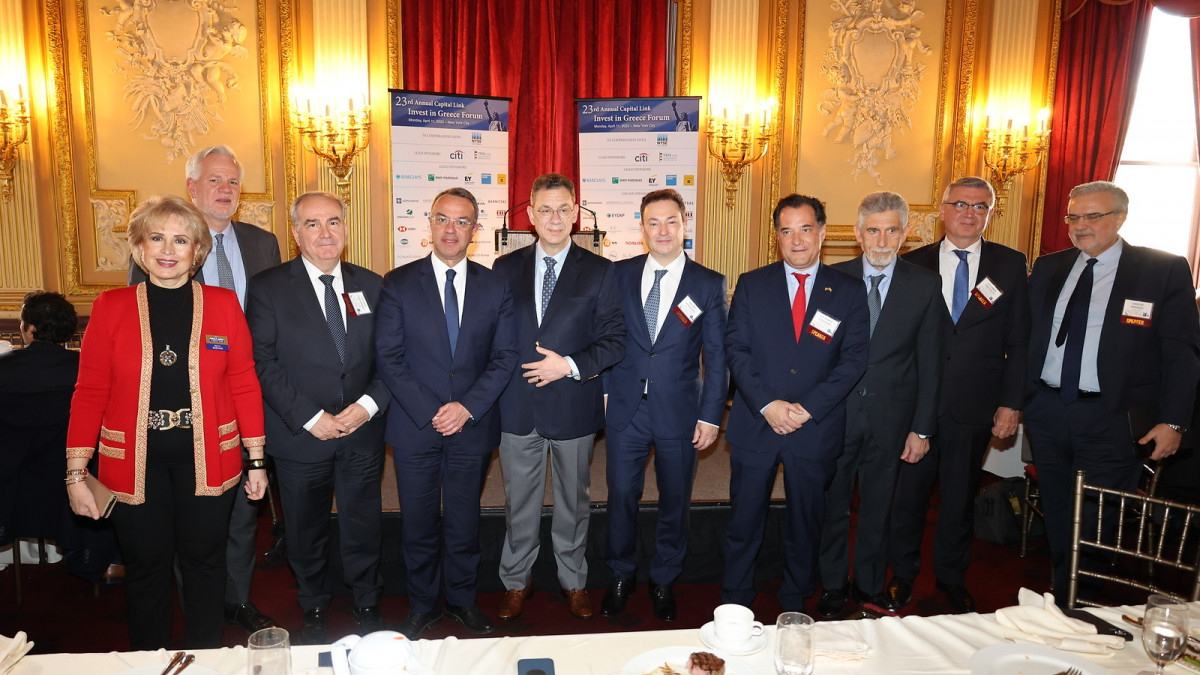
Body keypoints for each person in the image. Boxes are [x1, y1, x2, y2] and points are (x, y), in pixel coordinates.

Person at [66, 195, 268, 649]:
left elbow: (244, 383)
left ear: (197, 251)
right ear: (139, 247)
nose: (168, 249)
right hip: (132, 467)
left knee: (206, 566)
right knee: (146, 569)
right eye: (156, 237)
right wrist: (76, 474)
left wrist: (256, 460)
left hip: (210, 462)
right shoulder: (111, 306)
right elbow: (90, 392)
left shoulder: (224, 305)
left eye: (180, 239)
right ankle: (150, 660)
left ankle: (206, 659)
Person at [128, 144, 281, 634]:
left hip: (247, 393)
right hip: (183, 404)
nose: (225, 189)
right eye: (214, 180)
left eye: (233, 181)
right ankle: (195, 602)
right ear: (192, 186)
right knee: (184, 516)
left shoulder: (263, 243)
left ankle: (235, 600)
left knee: (239, 512)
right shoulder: (163, 245)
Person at [1024, 180, 1200, 605]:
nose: (1080, 225)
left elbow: (1182, 353)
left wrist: (1174, 421)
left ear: (1120, 217)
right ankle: (1063, 587)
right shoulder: (1049, 267)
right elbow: (1027, 337)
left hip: (1111, 416)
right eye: (1073, 216)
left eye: (1093, 216)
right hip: (1048, 410)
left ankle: (1081, 598)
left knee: (1098, 515)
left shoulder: (1160, 270)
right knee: (1058, 506)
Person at [245, 192, 389, 644]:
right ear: (295, 233)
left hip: (361, 431)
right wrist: (311, 418)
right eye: (312, 224)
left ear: (346, 228)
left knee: (363, 523)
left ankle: (366, 600)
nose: (325, 233)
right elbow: (262, 362)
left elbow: (392, 358)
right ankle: (314, 604)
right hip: (301, 435)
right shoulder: (268, 287)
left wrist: (367, 407)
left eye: (333, 222)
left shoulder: (372, 284)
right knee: (305, 530)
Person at [375, 187, 518, 639]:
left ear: (475, 230)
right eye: (443, 219)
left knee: (463, 522)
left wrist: (467, 407)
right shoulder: (397, 283)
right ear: (430, 224)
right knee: (418, 524)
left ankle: (461, 600)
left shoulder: (495, 286)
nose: (451, 229)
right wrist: (434, 410)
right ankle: (422, 605)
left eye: (461, 221)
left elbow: (505, 356)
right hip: (415, 426)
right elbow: (389, 357)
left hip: (472, 427)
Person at [887, 177, 1030, 613]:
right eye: (961, 204)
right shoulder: (912, 262)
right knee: (908, 498)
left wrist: (1011, 403)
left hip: (975, 404)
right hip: (917, 407)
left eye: (980, 206)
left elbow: (1020, 341)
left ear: (990, 214)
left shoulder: (1010, 264)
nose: (970, 213)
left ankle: (951, 578)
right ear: (943, 210)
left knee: (959, 499)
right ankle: (902, 575)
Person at [721, 194, 870, 612]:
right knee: (744, 519)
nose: (797, 239)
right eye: (787, 231)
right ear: (777, 237)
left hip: (814, 428)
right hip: (757, 422)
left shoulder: (848, 291)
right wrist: (768, 404)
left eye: (805, 229)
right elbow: (736, 350)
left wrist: (806, 409)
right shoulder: (752, 284)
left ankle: (795, 599)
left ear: (822, 233)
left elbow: (854, 360)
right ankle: (735, 599)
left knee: (806, 522)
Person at [491, 173, 626, 621]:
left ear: (576, 213)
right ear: (530, 215)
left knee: (574, 502)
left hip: (573, 403)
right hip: (517, 406)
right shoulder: (504, 268)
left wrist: (567, 364)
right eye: (545, 209)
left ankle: (573, 580)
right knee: (519, 503)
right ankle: (516, 580)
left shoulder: (601, 271)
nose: (554, 218)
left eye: (563, 209)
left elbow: (615, 341)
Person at [599, 189, 727, 622]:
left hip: (682, 413)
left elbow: (718, 357)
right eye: (653, 222)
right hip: (626, 410)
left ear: (684, 225)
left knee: (675, 499)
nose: (663, 230)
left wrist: (711, 415)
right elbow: (606, 339)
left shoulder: (707, 283)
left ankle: (664, 579)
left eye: (671, 221)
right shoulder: (618, 275)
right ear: (642, 228)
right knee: (621, 495)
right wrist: (605, 392)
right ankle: (621, 574)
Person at [817, 191, 944, 618]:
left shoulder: (925, 285)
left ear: (905, 234)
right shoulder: (832, 279)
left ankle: (869, 586)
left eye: (891, 231)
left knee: (878, 509)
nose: (882, 241)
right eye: (873, 231)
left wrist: (922, 428)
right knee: (832, 506)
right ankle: (832, 585)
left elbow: (931, 361)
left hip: (893, 421)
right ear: (858, 233)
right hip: (837, 416)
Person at [0, 293, 79, 554]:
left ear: (30, 327)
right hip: (68, 479)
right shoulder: (86, 369)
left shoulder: (4, 367)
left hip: (10, 481)